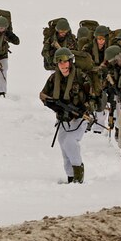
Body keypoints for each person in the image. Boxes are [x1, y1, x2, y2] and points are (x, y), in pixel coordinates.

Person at [39, 48, 95, 183]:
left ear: (70, 62)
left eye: (65, 62)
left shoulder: (81, 77)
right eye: (60, 63)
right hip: (63, 118)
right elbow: (43, 95)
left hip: (80, 117)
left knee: (70, 142)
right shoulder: (53, 78)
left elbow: (93, 98)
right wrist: (54, 106)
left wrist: (83, 109)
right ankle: (70, 176)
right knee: (63, 144)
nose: (63, 66)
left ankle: (78, 174)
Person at [80, 25, 112, 127]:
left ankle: (100, 124)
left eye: (102, 38)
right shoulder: (88, 47)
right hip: (91, 76)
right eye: (99, 38)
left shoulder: (110, 49)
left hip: (106, 77)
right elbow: (83, 63)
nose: (100, 41)